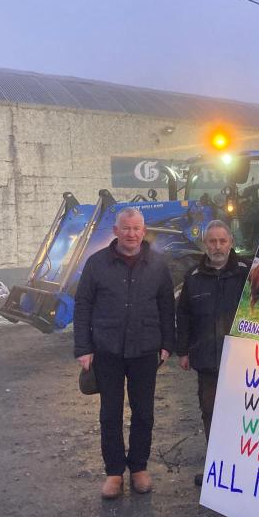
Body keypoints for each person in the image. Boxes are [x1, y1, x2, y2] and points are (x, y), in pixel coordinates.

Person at [73, 207, 175, 500]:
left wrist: (167, 344)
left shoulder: (158, 265)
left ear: (144, 231)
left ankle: (139, 468)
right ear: (116, 231)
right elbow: (83, 305)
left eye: (136, 228)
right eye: (126, 228)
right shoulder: (96, 264)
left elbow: (167, 306)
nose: (131, 234)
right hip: (107, 350)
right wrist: (83, 348)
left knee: (144, 412)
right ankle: (114, 472)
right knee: (110, 413)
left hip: (145, 350)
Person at [175, 220, 249, 487]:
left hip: (242, 362)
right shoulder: (193, 276)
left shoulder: (247, 273)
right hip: (207, 360)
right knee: (211, 412)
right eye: (212, 242)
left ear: (231, 243)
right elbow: (183, 315)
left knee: (243, 415)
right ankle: (218, 469)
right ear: (205, 244)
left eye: (222, 241)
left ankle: (244, 469)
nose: (217, 247)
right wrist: (183, 350)